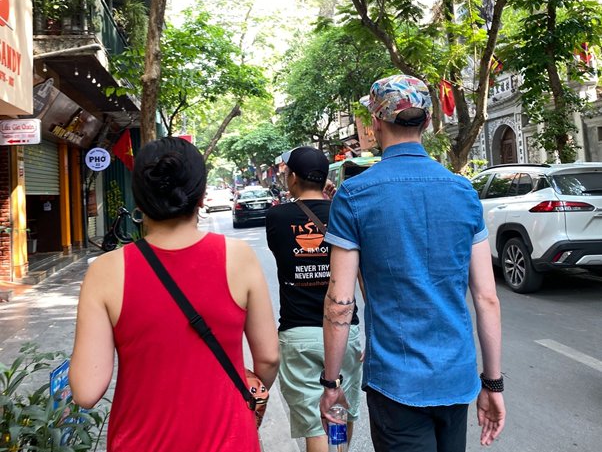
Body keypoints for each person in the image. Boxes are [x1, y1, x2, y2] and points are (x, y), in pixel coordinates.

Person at [319, 75, 506, 452]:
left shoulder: (354, 195)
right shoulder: (463, 192)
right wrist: (493, 383)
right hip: (456, 378)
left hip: (395, 380)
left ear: (375, 122)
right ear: (427, 121)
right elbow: (487, 298)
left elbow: (340, 304)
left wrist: (331, 383)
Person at [69, 137, 279, 452]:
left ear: (139, 199)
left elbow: (86, 390)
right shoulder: (239, 258)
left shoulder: (106, 271)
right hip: (230, 439)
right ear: (200, 195)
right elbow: (269, 357)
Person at [266, 146, 362, 452]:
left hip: (299, 335)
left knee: (312, 421)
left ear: (293, 178)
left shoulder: (277, 217)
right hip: (345, 331)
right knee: (337, 410)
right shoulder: (344, 213)